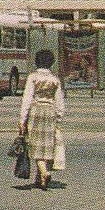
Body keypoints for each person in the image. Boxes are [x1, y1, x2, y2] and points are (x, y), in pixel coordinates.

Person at [18, 49, 67, 191]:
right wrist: (58, 116)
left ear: (36, 61)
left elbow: (27, 99)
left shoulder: (33, 78)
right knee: (48, 145)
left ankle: (44, 173)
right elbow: (59, 101)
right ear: (51, 63)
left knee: (35, 144)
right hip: (50, 112)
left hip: (36, 111)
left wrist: (22, 119)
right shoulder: (55, 80)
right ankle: (40, 179)